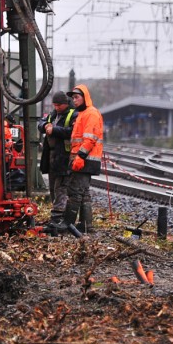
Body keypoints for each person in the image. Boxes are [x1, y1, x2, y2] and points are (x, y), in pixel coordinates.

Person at [65, 83, 104, 233]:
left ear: (85, 97)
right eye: (73, 98)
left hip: (85, 159)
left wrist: (80, 156)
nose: (74, 100)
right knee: (83, 193)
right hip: (84, 158)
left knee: (75, 192)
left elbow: (90, 138)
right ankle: (86, 225)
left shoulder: (90, 113)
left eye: (77, 97)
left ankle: (68, 224)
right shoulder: (83, 113)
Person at [39, 91, 77, 232]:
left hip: (64, 156)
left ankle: (58, 219)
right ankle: (57, 216)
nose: (56, 107)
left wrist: (54, 129)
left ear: (65, 104)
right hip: (52, 156)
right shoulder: (54, 114)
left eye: (58, 105)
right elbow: (42, 122)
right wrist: (45, 126)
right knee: (53, 187)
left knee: (60, 187)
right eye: (54, 105)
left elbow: (72, 131)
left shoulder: (73, 114)